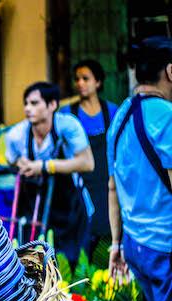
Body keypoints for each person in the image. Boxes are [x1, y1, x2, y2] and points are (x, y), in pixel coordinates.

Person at [100, 36, 172, 301]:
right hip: (166, 246)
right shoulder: (165, 115)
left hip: (137, 247)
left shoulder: (121, 116)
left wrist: (115, 243)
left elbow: (112, 186)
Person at [5, 82, 95, 264]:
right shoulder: (17, 134)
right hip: (35, 204)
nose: (28, 109)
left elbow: (87, 163)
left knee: (73, 262)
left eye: (34, 103)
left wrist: (45, 166)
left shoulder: (68, 126)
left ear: (52, 105)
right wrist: (20, 163)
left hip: (69, 206)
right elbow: (11, 159)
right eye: (26, 104)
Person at [60, 59, 119, 252]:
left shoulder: (112, 111)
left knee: (107, 226)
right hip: (80, 182)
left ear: (98, 82)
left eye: (86, 78)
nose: (80, 83)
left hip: (106, 181)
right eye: (77, 79)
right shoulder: (67, 114)